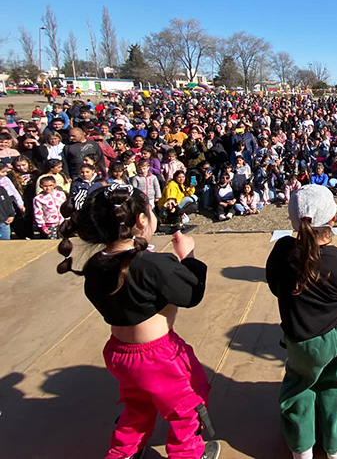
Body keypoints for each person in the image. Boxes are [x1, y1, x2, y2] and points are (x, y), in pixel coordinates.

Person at [55, 185, 220, 459]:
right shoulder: (153, 265)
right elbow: (192, 294)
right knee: (188, 403)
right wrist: (188, 258)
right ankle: (188, 453)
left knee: (137, 405)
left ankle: (123, 453)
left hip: (119, 353)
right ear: (142, 221)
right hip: (160, 355)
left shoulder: (96, 264)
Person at [266, 184, 337, 459]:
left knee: (299, 387)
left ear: (293, 221)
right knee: (335, 384)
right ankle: (335, 446)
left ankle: (302, 448)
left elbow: (275, 287)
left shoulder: (282, 251)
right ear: (333, 221)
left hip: (300, 339)